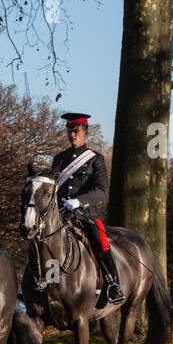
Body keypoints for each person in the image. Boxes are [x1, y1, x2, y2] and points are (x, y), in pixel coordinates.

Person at [51, 112, 125, 306]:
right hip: (59, 216)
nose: (72, 135)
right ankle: (44, 283)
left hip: (85, 215)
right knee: (41, 240)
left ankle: (113, 283)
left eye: (76, 131)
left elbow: (102, 190)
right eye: (70, 131)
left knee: (99, 240)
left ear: (85, 132)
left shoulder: (95, 159)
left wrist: (78, 201)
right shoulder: (59, 159)